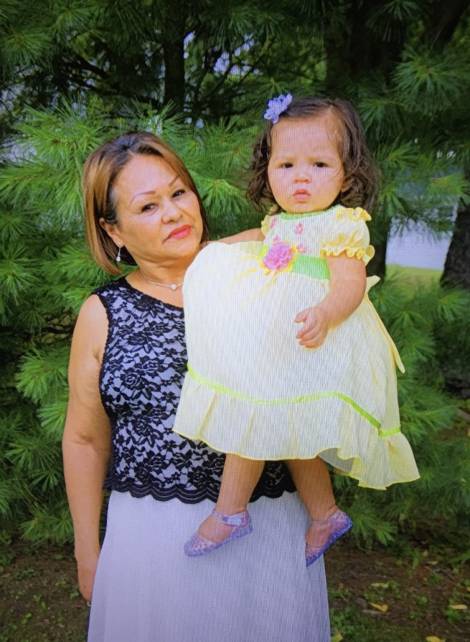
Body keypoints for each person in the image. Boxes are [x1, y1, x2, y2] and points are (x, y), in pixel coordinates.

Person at [62, 131, 331, 642]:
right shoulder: (102, 313)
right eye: (148, 206)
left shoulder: (260, 263)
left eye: (179, 192)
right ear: (113, 229)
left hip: (268, 522)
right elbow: (84, 439)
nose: (173, 213)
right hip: (149, 537)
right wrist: (86, 551)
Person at [172, 95, 420, 564]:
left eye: (319, 164)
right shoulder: (279, 223)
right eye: (286, 165)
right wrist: (213, 249)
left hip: (315, 336)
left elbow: (350, 284)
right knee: (292, 429)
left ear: (347, 172)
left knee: (256, 412)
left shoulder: (343, 225)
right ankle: (325, 514)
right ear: (267, 170)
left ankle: (230, 511)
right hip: (283, 340)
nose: (300, 177)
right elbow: (257, 240)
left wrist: (326, 313)